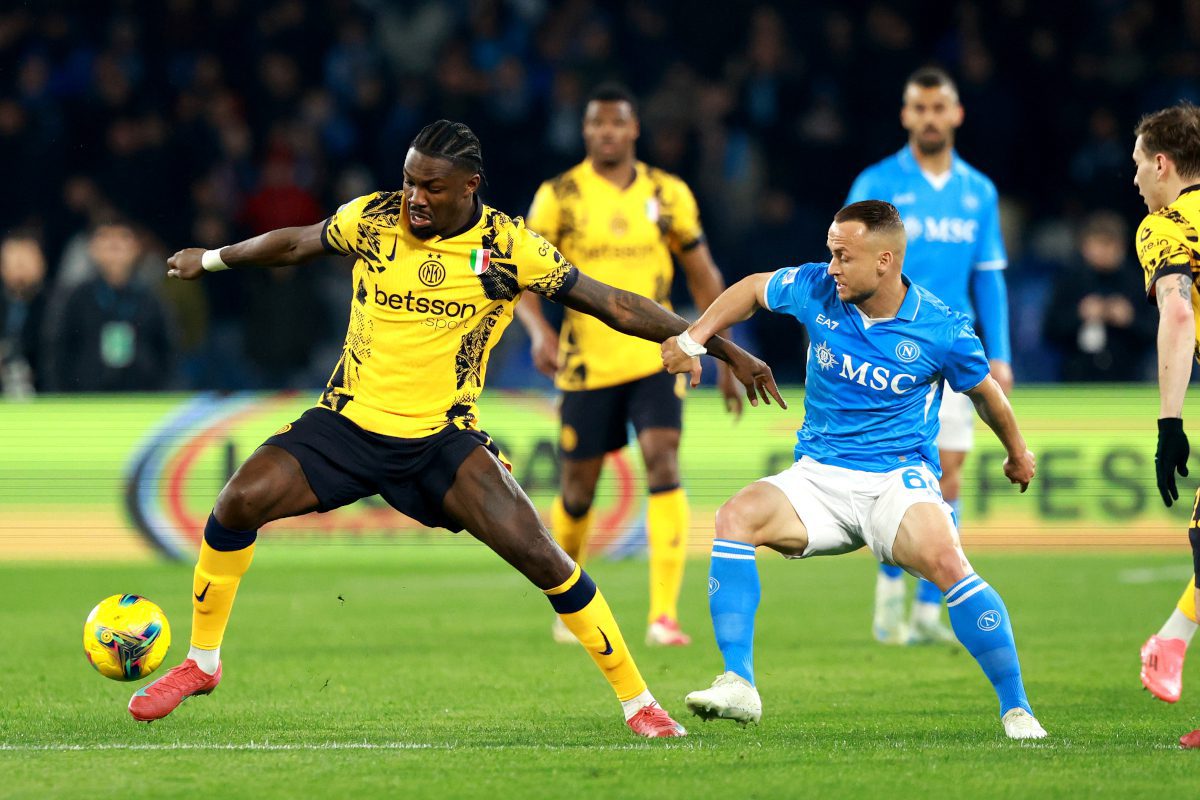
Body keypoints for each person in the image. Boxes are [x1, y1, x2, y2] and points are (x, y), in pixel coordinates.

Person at [126, 120, 784, 738]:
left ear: (470, 186)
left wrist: (719, 346)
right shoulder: (375, 218)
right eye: (410, 179)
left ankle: (640, 704)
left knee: (546, 559)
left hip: (442, 441)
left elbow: (615, 303)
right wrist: (212, 259)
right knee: (237, 501)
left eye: (430, 186)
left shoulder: (508, 247)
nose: (413, 196)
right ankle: (203, 663)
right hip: (346, 424)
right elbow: (297, 241)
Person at [667, 200, 1046, 740]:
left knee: (946, 561)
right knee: (735, 517)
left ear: (885, 260)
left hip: (896, 480)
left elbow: (987, 395)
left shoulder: (940, 328)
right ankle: (739, 682)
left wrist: (1017, 451)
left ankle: (1018, 709)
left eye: (844, 256)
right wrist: (693, 340)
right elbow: (752, 287)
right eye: (831, 253)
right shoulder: (819, 287)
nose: (833, 266)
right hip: (818, 475)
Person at [516, 83, 742, 647]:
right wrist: (540, 331)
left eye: (617, 124)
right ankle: (571, 607)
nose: (606, 133)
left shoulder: (668, 193)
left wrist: (725, 353)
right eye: (596, 124)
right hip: (586, 362)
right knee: (577, 492)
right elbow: (519, 272)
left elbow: (702, 272)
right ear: (586, 130)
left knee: (663, 462)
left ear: (634, 129)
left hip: (659, 356)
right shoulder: (559, 195)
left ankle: (663, 615)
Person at [846, 66, 1012, 646]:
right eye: (919, 108)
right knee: (898, 475)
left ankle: (924, 611)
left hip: (953, 347)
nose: (930, 118)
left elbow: (989, 278)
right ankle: (889, 603)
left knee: (950, 476)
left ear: (957, 114)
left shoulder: (979, 191)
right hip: (888, 352)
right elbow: (842, 264)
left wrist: (1004, 355)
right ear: (905, 115)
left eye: (939, 108)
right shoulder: (877, 180)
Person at [1129, 101, 1200, 749]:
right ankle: (1172, 642)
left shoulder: (1165, 224)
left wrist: (1169, 422)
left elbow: (1178, 316)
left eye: (1137, 167)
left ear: (1162, 163)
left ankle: (1170, 643)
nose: (1135, 183)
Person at [44, 219, 173, 392]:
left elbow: (168, 352)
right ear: (92, 249)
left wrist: (163, 393)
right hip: (87, 397)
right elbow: (59, 350)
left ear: (136, 248)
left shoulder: (151, 298)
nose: (114, 247)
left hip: (141, 397)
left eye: (123, 239)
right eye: (105, 239)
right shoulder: (76, 298)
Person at [1042, 211, 1154, 382]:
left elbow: (1157, 332)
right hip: (1077, 379)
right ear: (1084, 245)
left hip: (1127, 380)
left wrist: (1130, 320)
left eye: (1110, 244)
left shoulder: (1138, 281)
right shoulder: (1070, 280)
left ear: (1122, 247)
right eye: (1099, 244)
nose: (1104, 251)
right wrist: (1079, 315)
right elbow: (1050, 331)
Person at [0, 231, 48, 397]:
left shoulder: (58, 305)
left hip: (45, 397)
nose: (20, 268)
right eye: (13, 261)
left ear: (42, 264)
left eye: (26, 261)